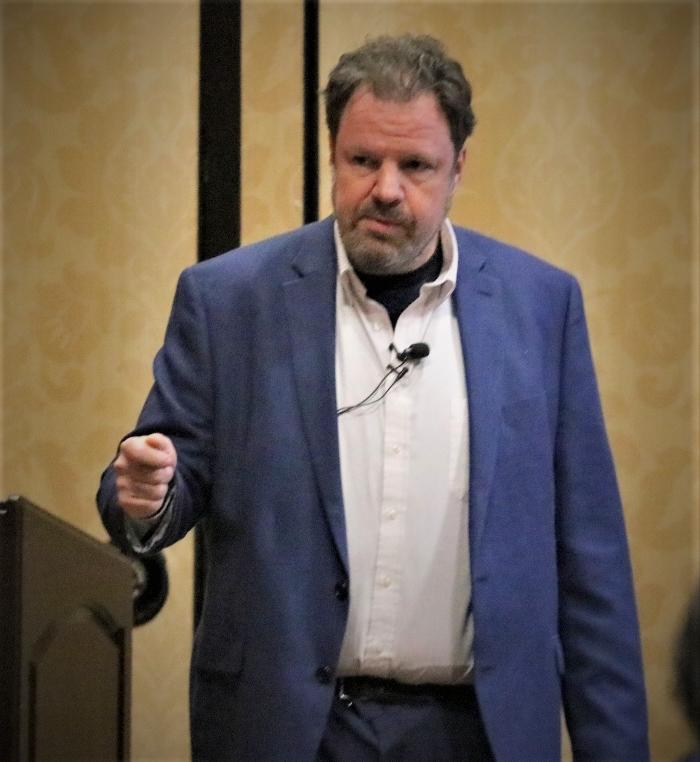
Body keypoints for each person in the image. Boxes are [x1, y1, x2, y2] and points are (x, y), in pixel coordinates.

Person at [97, 34, 649, 761]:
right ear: (333, 155)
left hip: (478, 732)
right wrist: (147, 497)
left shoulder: (541, 307)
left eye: (415, 165)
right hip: (291, 729)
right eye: (364, 160)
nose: (386, 188)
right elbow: (160, 484)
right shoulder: (229, 300)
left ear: (458, 167)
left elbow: (590, 561)